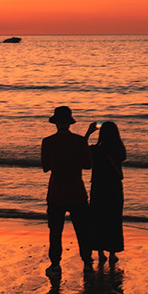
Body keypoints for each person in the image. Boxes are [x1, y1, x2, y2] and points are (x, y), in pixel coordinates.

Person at [40, 106, 92, 266]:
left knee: (55, 231)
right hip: (76, 191)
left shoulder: (48, 142)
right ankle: (87, 261)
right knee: (83, 230)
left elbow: (45, 167)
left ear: (55, 123)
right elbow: (88, 165)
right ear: (70, 123)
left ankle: (55, 264)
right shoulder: (79, 141)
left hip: (56, 192)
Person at [85, 121, 127, 263]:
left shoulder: (96, 150)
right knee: (114, 219)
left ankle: (101, 253)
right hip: (114, 187)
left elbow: (81, 150)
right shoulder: (119, 149)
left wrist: (89, 133)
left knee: (98, 219)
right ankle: (112, 253)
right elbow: (122, 157)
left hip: (98, 187)